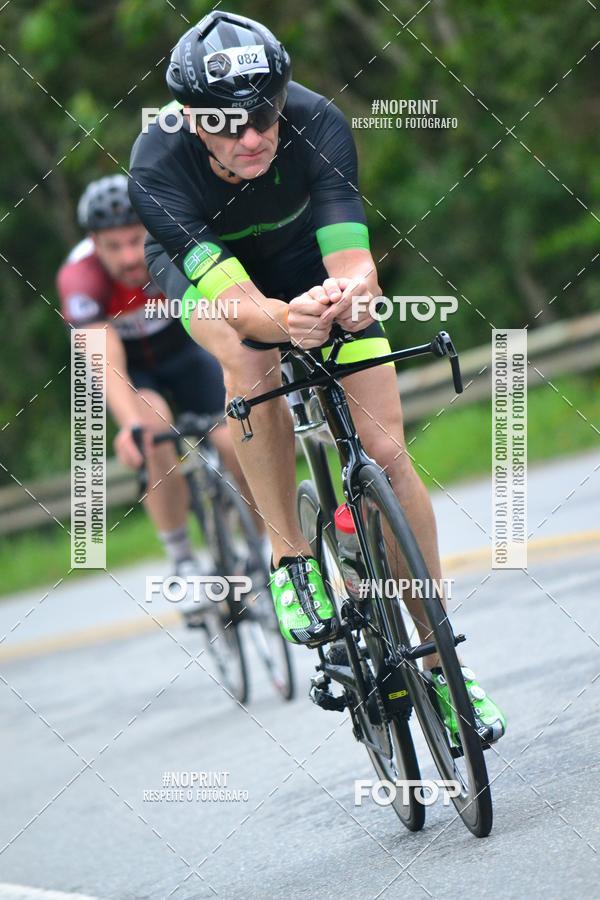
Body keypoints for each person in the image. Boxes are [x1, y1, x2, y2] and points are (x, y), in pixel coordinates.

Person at [128, 11, 506, 744]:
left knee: (388, 459)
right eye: (230, 124)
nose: (253, 136)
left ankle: (441, 661)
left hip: (305, 265)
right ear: (192, 120)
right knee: (248, 354)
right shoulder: (156, 164)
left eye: (265, 112)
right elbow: (237, 304)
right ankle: (291, 560)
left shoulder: (318, 122)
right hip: (212, 281)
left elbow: (354, 260)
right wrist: (285, 320)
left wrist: (351, 297)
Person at [57, 173, 267, 591]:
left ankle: (259, 551)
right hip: (134, 369)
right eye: (113, 246)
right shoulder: (81, 279)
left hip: (187, 351)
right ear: (94, 244)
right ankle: (182, 560)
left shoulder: (171, 246)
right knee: (152, 431)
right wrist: (130, 425)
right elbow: (105, 361)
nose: (130, 257)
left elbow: (222, 317)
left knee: (235, 439)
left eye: (135, 240)